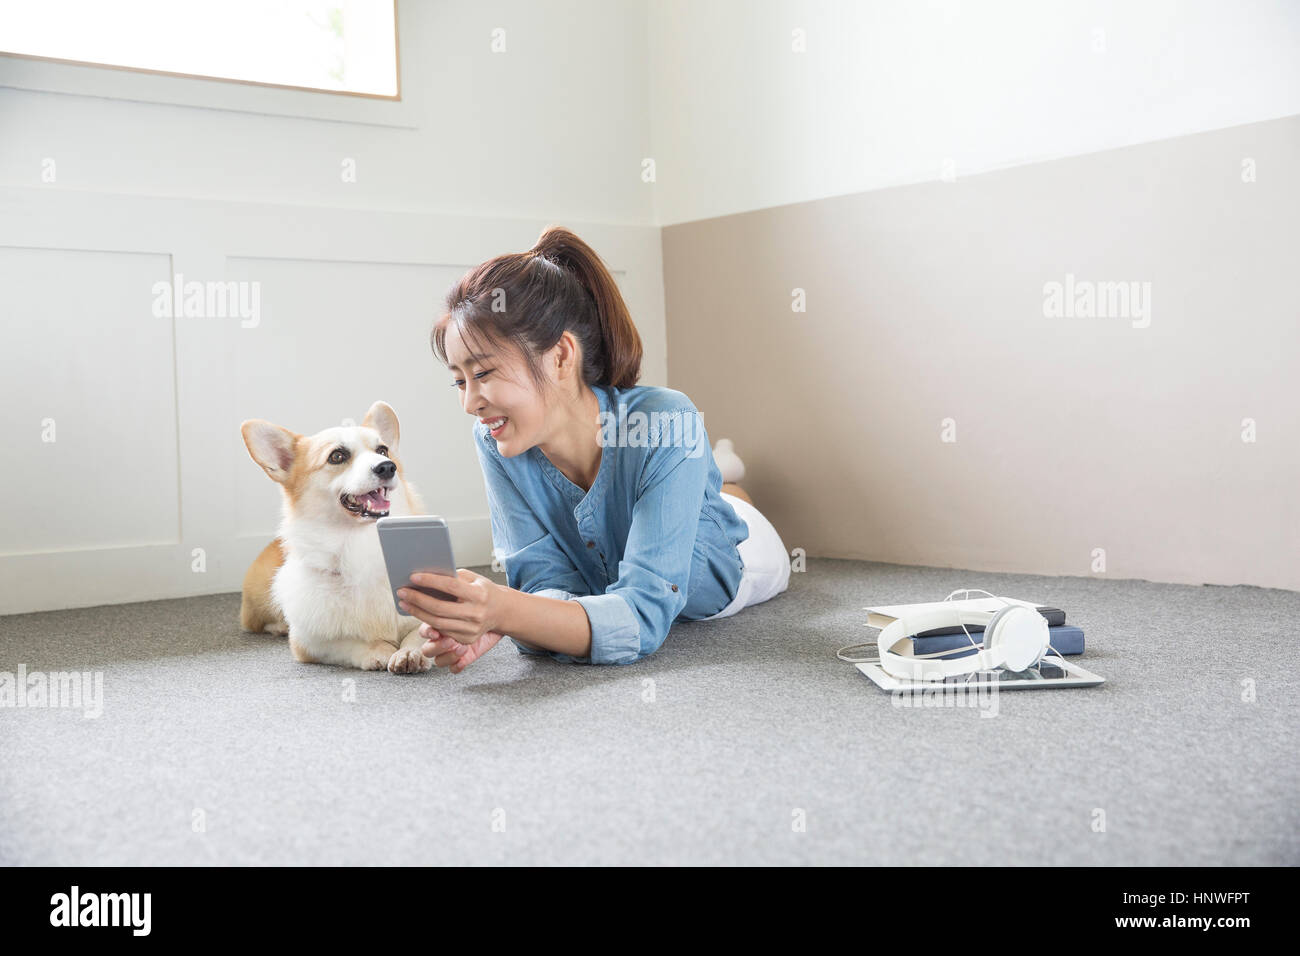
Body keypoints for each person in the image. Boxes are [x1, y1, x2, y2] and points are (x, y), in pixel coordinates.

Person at [395, 226, 790, 670]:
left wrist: (506, 611)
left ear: (562, 356)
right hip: (653, 497)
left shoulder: (666, 418)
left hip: (747, 556)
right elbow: (543, 582)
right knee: (701, 484)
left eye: (483, 373)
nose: (469, 402)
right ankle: (717, 473)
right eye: (459, 380)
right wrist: (505, 619)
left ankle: (726, 482)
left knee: (731, 503)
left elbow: (642, 616)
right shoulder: (496, 437)